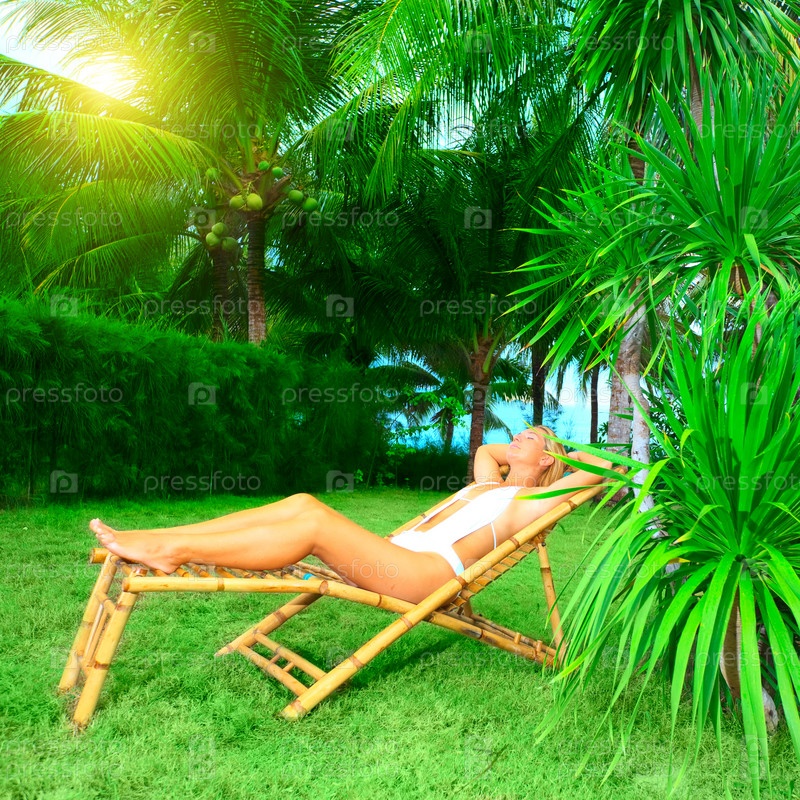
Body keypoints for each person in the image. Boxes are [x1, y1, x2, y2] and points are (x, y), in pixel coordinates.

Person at [90, 426, 612, 604]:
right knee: (302, 502)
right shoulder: (488, 484)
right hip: (397, 556)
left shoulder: (527, 506)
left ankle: (173, 550)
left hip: (422, 576)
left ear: (549, 461)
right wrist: (532, 451)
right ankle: (162, 537)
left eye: (528, 437)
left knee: (313, 523)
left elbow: (605, 465)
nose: (514, 438)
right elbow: (488, 451)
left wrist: (556, 455)